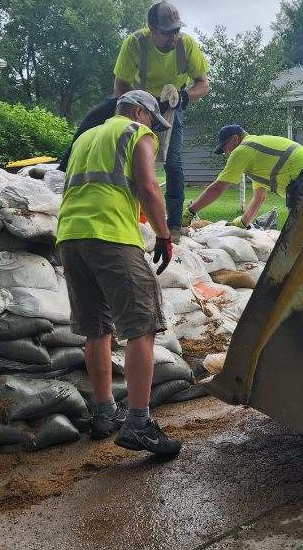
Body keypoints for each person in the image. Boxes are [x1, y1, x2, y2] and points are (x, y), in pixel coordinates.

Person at [57, 89, 182, 456]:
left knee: (97, 328)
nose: (152, 128)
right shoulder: (135, 133)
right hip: (111, 236)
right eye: (151, 121)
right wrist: (163, 234)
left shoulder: (86, 137)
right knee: (142, 325)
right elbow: (147, 185)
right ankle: (139, 423)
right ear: (140, 113)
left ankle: (104, 412)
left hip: (70, 237)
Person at [113, 1, 211, 238]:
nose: (174, 37)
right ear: (152, 29)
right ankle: (129, 217)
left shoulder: (186, 44)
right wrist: (131, 110)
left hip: (172, 104)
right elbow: (120, 85)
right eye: (168, 33)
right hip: (141, 104)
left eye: (177, 30)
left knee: (174, 163)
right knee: (130, 158)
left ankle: (174, 225)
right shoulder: (135, 43)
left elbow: (204, 84)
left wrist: (186, 96)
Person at [182, 124, 303, 228]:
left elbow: (217, 188)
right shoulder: (257, 156)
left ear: (234, 139)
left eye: (225, 149)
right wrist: (243, 223)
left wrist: (190, 212)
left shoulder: (243, 150)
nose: (226, 155)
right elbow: (259, 198)